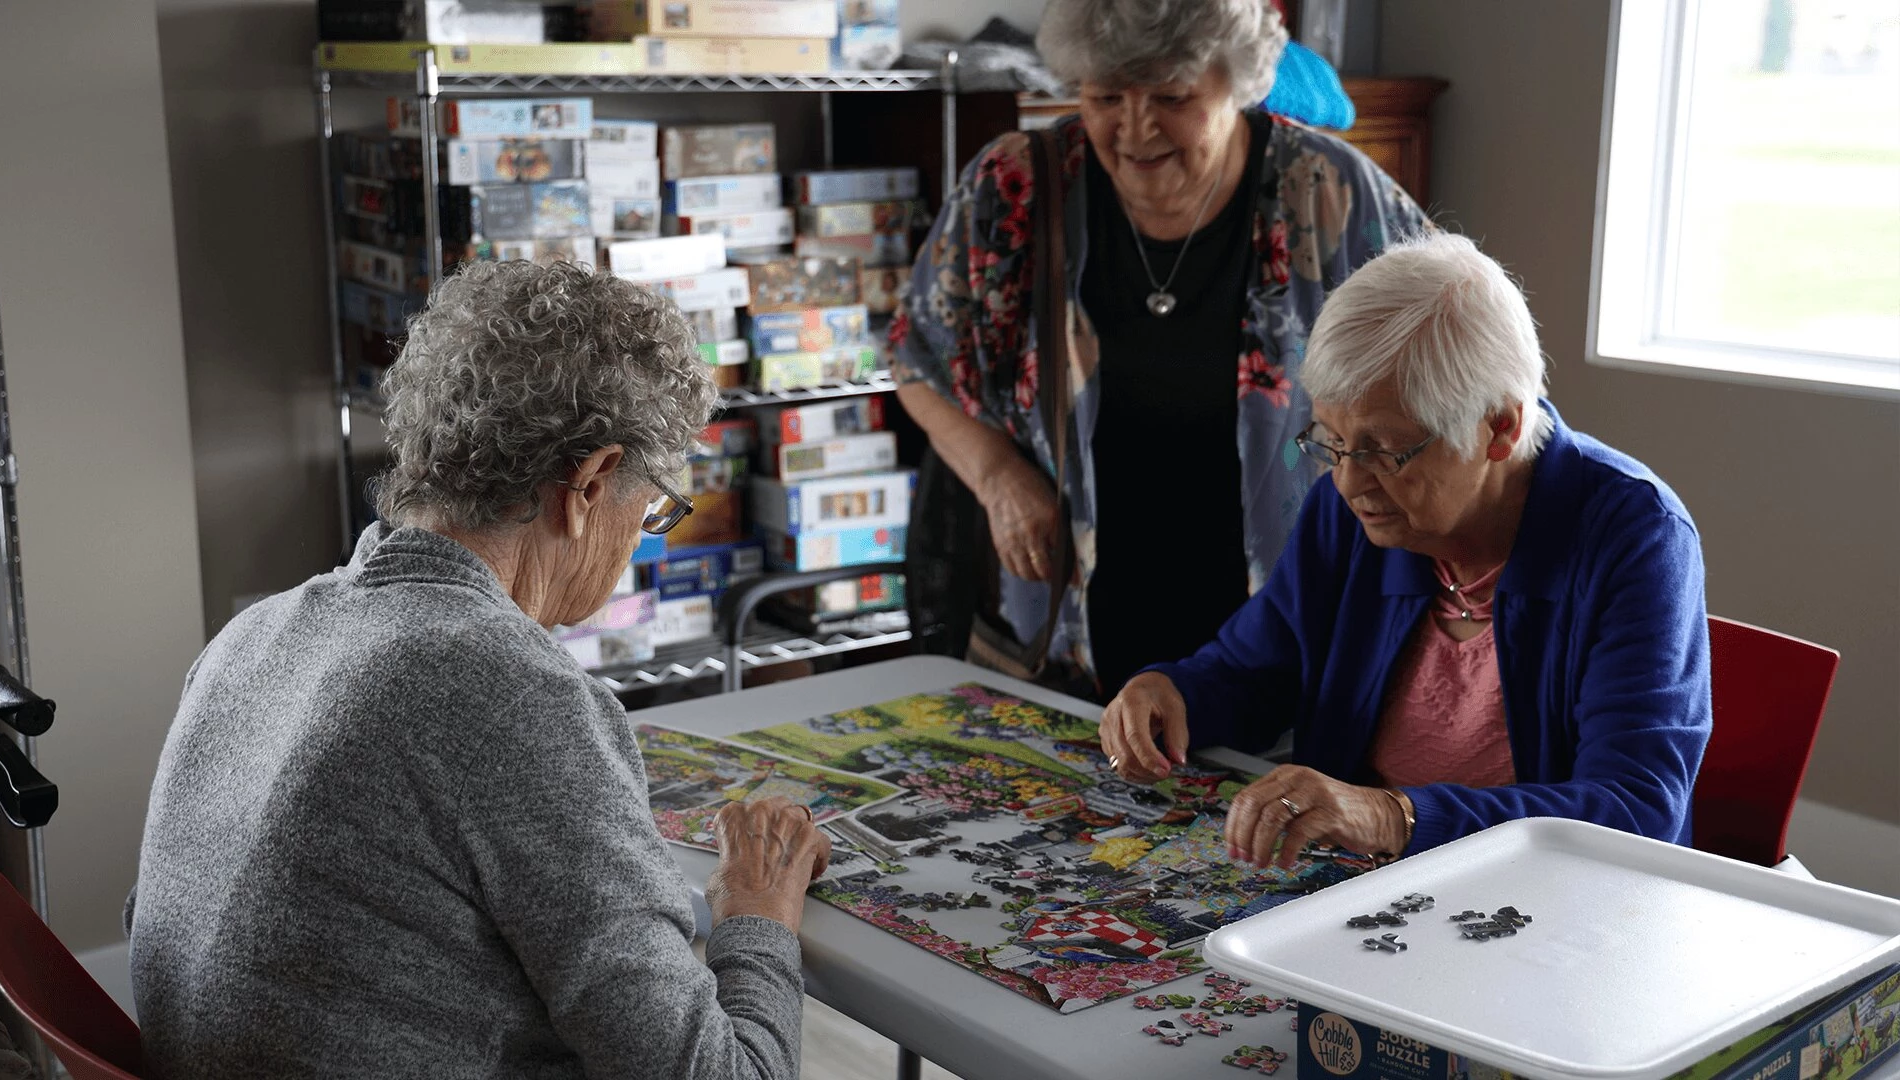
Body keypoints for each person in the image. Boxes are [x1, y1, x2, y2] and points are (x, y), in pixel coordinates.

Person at [127, 261, 832, 1079]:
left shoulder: (251, 636)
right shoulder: (511, 697)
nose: (645, 537)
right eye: (652, 511)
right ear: (590, 482)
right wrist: (758, 909)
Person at [1099, 233, 1712, 862]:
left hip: (1543, 910)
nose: (1347, 479)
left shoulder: (1637, 537)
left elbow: (1635, 809)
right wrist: (1172, 693)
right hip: (1350, 890)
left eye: (1385, 450)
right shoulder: (1356, 511)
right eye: (1332, 439)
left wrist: (1394, 817)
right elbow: (1255, 670)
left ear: (1499, 425)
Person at [891, 0, 1430, 699]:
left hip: (1283, 636)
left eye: (1173, 96)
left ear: (1236, 84)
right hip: (1069, 638)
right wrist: (997, 477)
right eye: (1106, 95)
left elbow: (1451, 365)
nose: (1136, 128)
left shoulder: (1330, 193)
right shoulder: (1016, 188)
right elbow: (916, 357)